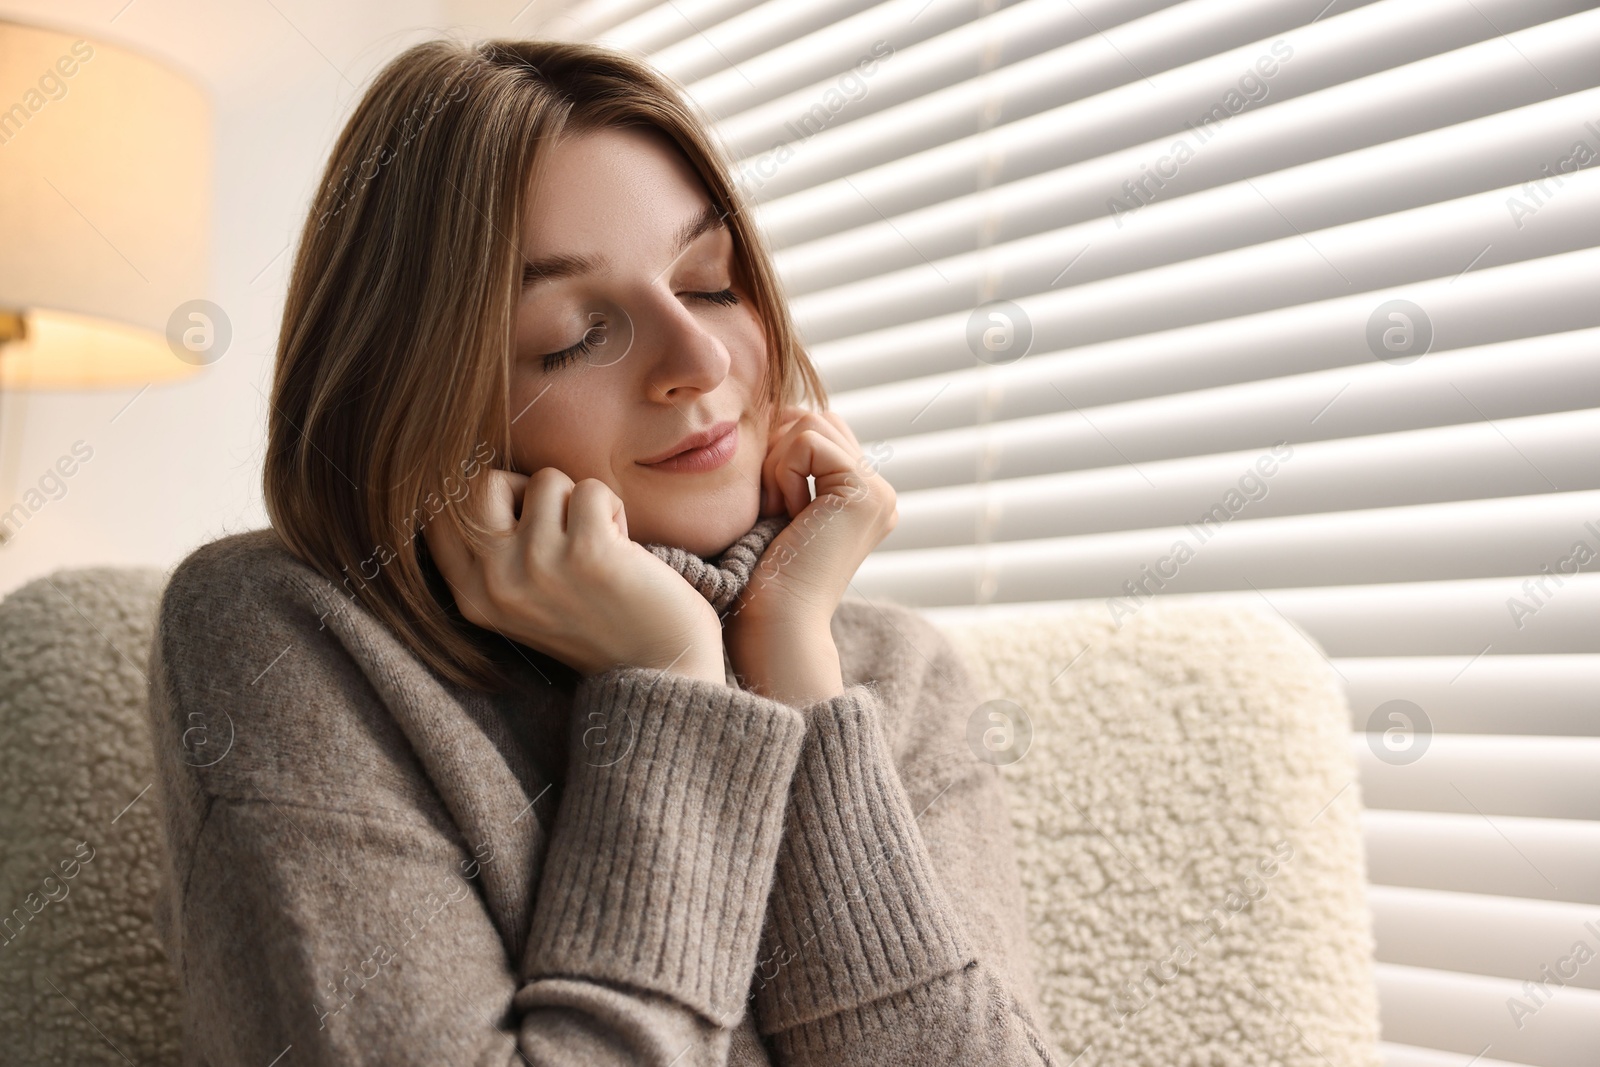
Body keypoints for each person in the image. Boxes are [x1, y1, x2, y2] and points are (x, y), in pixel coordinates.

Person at [145, 35, 1062, 1066]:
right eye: (578, 335)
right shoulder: (285, 634)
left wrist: (790, 663)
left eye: (711, 282)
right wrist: (671, 681)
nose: (700, 359)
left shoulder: (893, 671)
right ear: (419, 405)